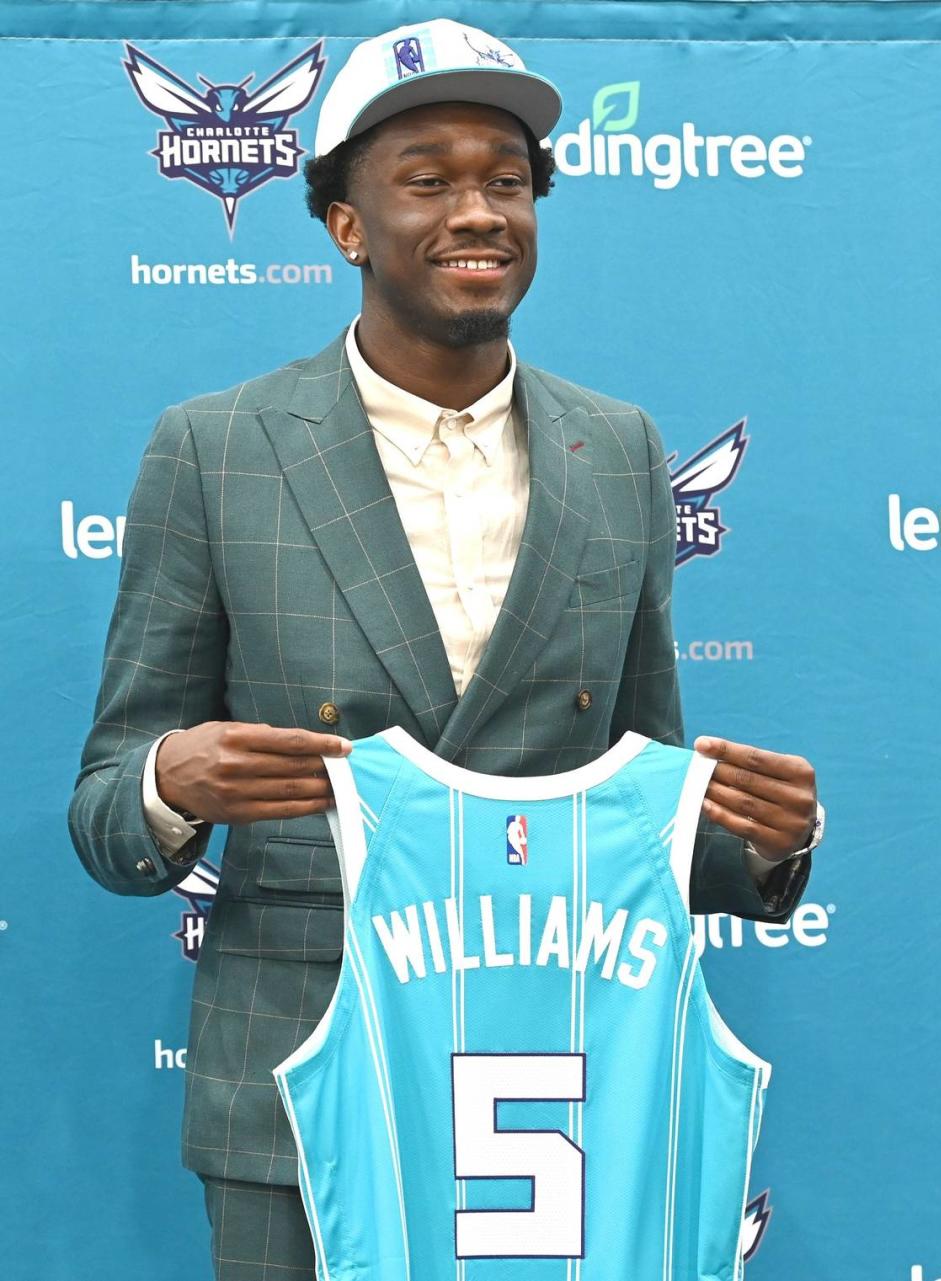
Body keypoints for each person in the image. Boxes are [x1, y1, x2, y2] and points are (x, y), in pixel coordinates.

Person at [69, 18, 823, 1279]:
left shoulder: (620, 450)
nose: (479, 211)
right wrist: (170, 788)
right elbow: (104, 807)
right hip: (296, 1104)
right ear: (345, 223)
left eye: (507, 181)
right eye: (428, 181)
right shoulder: (214, 449)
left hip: (558, 1103)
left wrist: (758, 841)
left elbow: (639, 803)